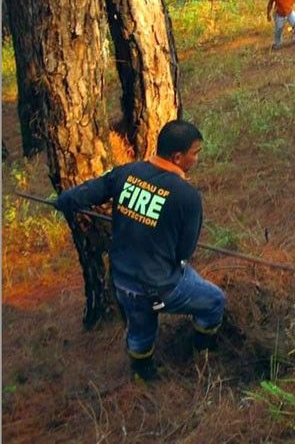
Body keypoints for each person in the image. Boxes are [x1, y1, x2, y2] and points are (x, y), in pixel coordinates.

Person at [55, 120, 226, 382]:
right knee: (215, 301)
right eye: (196, 152)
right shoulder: (187, 196)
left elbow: (87, 193)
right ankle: (201, 350)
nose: (197, 158)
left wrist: (62, 201)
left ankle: (143, 375)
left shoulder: (127, 172)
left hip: (122, 281)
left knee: (139, 333)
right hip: (160, 286)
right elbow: (184, 251)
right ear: (178, 157)